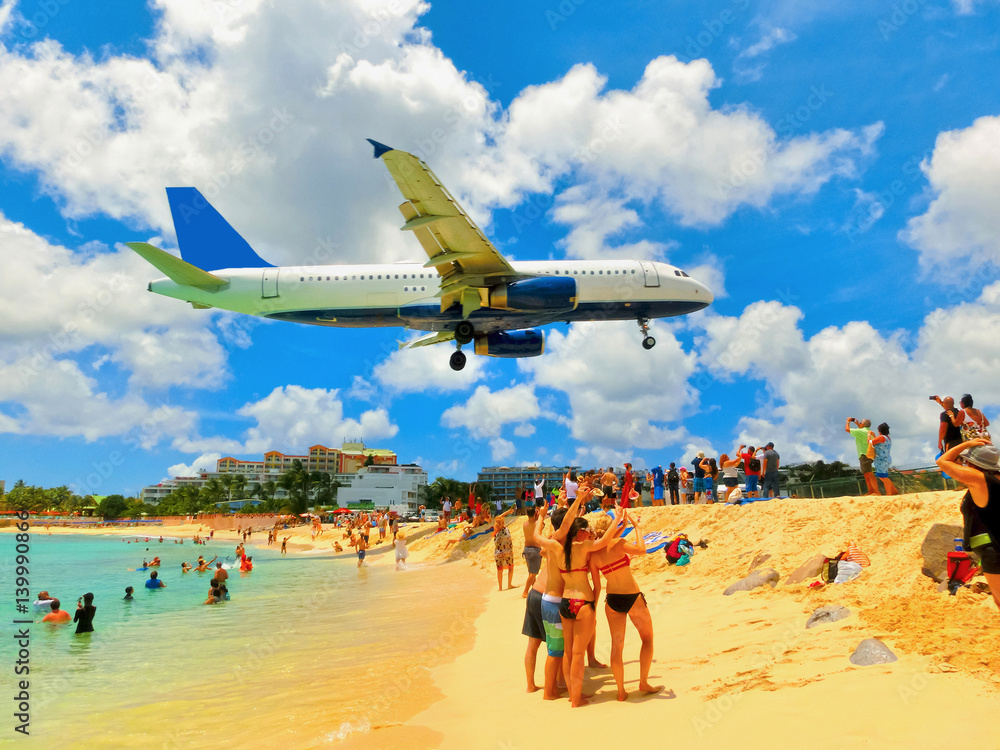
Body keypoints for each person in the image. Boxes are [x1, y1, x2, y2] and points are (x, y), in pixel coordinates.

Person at [590, 511, 665, 701]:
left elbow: (597, 586)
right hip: (632, 597)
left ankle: (621, 691)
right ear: (612, 529)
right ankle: (644, 682)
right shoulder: (619, 544)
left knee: (617, 646)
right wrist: (637, 528)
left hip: (612, 600)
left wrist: (592, 606)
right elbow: (642, 549)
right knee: (647, 639)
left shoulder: (593, 555)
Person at [937, 440, 1000, 611]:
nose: (963, 464)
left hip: (993, 551)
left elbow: (942, 462)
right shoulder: (993, 480)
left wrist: (966, 444)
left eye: (966, 461)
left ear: (974, 464)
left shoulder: (980, 479)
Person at [846, 417, 879, 495]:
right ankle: (871, 491)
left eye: (861, 422)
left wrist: (848, 421)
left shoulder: (861, 431)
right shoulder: (867, 431)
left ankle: (876, 491)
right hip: (868, 454)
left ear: (863, 424)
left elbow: (847, 429)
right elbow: (860, 430)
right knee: (866, 473)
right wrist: (858, 424)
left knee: (869, 473)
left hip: (864, 454)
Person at [869, 423, 898, 495]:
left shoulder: (881, 437)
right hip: (886, 458)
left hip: (881, 460)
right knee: (883, 476)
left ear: (879, 431)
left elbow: (870, 442)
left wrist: (869, 435)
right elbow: (879, 442)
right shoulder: (887, 438)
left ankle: (889, 493)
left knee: (883, 477)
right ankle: (893, 490)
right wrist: (874, 436)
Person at [521, 506, 543, 598]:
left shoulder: (524, 524)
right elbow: (541, 528)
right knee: (533, 573)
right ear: (535, 513)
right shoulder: (537, 523)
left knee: (531, 571)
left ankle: (535, 589)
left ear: (526, 514)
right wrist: (538, 517)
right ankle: (525, 591)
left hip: (526, 549)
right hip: (535, 548)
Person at [493, 508, 516, 591]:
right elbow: (499, 518)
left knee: (500, 570)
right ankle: (509, 585)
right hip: (508, 552)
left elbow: (498, 518)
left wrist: (507, 512)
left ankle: (500, 587)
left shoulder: (496, 531)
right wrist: (508, 512)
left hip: (498, 553)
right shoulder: (506, 529)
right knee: (510, 568)